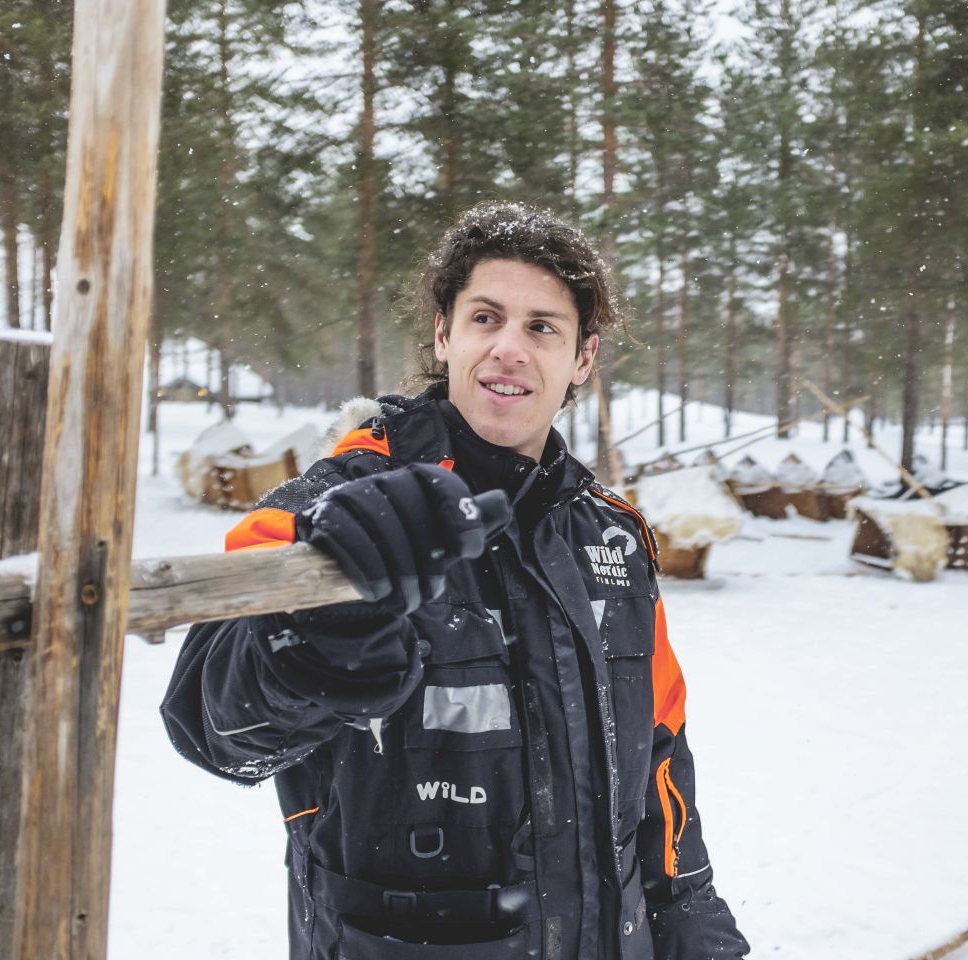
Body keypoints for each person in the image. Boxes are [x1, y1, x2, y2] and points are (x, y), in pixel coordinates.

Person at [161, 202, 749, 960]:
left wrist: (695, 932)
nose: (509, 348)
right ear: (444, 334)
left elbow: (661, 765)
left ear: (583, 359)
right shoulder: (329, 507)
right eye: (485, 318)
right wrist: (319, 635)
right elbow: (216, 731)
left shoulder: (612, 535)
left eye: (542, 327)